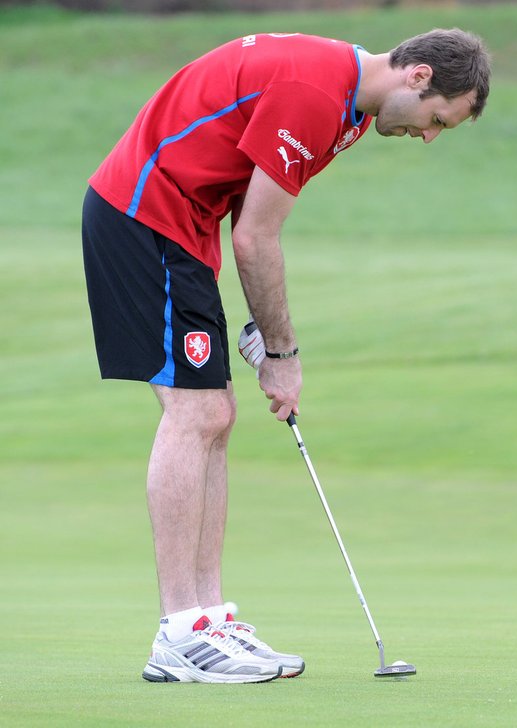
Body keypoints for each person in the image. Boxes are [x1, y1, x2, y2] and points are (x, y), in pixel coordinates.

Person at [81, 29, 490, 683]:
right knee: (196, 415)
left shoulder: (350, 111)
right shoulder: (316, 94)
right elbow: (256, 238)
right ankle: (180, 632)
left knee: (215, 416)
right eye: (438, 118)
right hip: (143, 215)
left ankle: (208, 620)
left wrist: (262, 328)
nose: (431, 135)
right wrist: (281, 351)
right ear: (416, 77)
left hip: (182, 227)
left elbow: (250, 193)